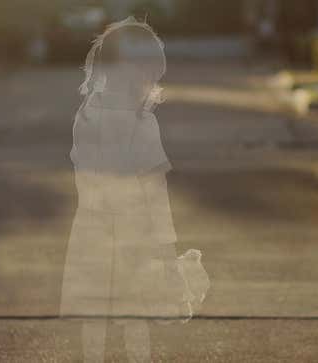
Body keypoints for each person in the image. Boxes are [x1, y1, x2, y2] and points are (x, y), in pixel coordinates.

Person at [59, 17, 191, 363]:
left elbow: (83, 176)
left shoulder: (84, 116)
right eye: (151, 75)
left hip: (90, 228)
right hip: (134, 233)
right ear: (137, 72)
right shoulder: (141, 122)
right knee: (135, 319)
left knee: (94, 317)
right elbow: (154, 193)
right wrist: (166, 250)